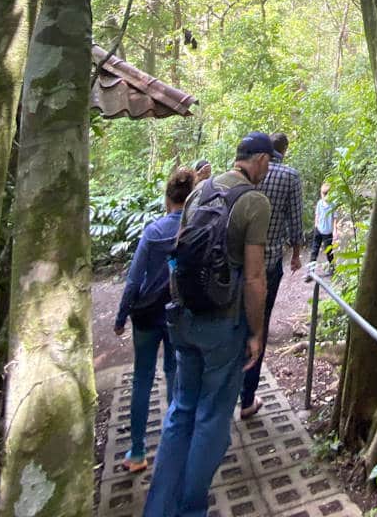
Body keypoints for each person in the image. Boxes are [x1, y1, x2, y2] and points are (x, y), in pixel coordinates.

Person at [142, 132, 273, 517]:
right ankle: (190, 509)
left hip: (184, 319)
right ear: (261, 160)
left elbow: (177, 255)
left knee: (181, 410)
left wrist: (178, 307)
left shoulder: (200, 191)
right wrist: (256, 332)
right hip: (223, 325)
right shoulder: (254, 202)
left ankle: (158, 508)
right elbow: (254, 279)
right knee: (212, 417)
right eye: (269, 163)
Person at [114, 166, 196, 473]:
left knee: (142, 378)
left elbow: (134, 280)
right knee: (175, 374)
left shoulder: (153, 231)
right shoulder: (192, 230)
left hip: (147, 314)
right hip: (178, 313)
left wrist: (122, 315)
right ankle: (175, 447)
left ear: (168, 198)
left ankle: (137, 452)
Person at [239, 131, 304, 419]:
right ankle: (247, 398)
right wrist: (298, 253)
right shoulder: (289, 176)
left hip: (238, 263)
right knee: (259, 326)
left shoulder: (244, 176)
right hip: (268, 263)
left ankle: (224, 392)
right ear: (283, 151)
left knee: (235, 324)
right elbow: (295, 218)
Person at [305, 182, 336, 279]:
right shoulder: (319, 203)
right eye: (324, 193)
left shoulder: (333, 205)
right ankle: (310, 272)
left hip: (328, 232)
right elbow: (317, 215)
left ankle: (332, 268)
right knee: (314, 251)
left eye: (327, 193)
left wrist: (335, 230)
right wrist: (316, 226)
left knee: (329, 252)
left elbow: (335, 218)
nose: (325, 196)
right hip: (319, 230)